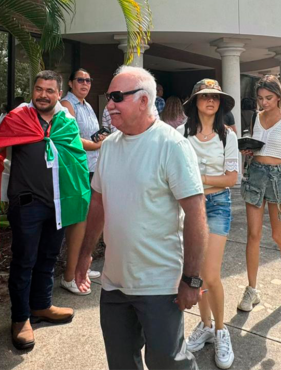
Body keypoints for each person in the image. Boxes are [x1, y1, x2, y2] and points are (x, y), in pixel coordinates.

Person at [73, 66, 206, 370]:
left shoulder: (172, 145)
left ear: (144, 100)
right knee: (121, 362)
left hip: (160, 285)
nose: (109, 105)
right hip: (114, 283)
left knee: (168, 363)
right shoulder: (109, 146)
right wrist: (85, 255)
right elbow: (98, 203)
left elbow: (196, 214)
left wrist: (192, 279)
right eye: (109, 97)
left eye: (117, 97)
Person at [0, 71, 89, 351]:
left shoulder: (65, 122)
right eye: (38, 89)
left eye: (49, 90)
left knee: (48, 257)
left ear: (58, 94)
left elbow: (76, 158)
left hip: (58, 202)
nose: (43, 95)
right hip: (27, 204)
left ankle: (41, 305)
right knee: (24, 261)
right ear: (33, 90)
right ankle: (20, 318)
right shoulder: (18, 118)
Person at [178, 79, 238, 369]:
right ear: (195, 103)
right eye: (204, 97)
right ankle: (205, 325)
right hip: (188, 207)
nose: (210, 101)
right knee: (197, 274)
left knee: (211, 274)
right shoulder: (182, 134)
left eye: (215, 97)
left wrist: (199, 179)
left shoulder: (227, 136)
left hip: (217, 205)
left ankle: (221, 330)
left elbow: (231, 179)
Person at [237, 75, 281, 311]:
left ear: (278, 97)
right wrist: (248, 150)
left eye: (268, 98)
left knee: (278, 235)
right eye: (260, 98)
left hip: (279, 178)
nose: (264, 102)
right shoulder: (256, 117)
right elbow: (258, 148)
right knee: (253, 235)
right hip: (256, 174)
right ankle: (252, 289)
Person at [59, 68, 105, 295]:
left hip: (93, 166)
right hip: (78, 168)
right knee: (78, 221)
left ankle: (82, 266)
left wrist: (99, 139)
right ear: (70, 83)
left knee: (89, 219)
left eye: (88, 80)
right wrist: (96, 144)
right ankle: (71, 273)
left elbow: (91, 134)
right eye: (80, 80)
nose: (85, 83)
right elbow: (72, 138)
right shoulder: (67, 105)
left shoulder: (86, 105)